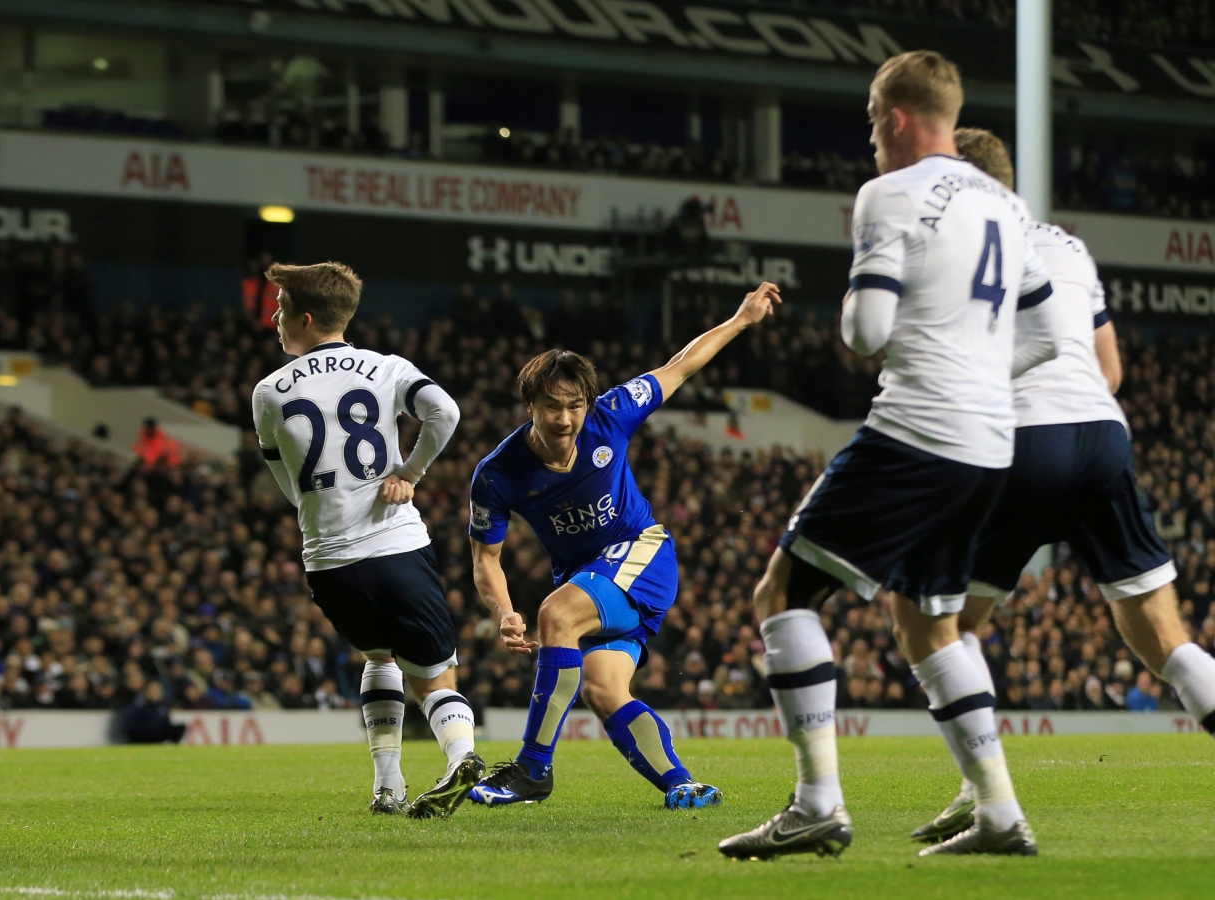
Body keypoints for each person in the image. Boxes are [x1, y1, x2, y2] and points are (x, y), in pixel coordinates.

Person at [718, 51, 1058, 861]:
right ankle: (1000, 813)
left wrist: (868, 310)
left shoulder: (889, 193)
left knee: (783, 594)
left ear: (899, 117)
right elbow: (1046, 335)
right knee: (928, 621)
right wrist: (977, 369)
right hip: (989, 444)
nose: (871, 138)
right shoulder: (1009, 207)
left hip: (916, 429)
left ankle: (816, 805)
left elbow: (865, 332)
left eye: (873, 120)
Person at [907, 128, 1215, 844]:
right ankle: (976, 795)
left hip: (1019, 440)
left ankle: (986, 797)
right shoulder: (1069, 246)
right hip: (1102, 436)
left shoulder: (952, 244)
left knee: (943, 628)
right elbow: (1111, 370)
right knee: (1161, 634)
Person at [466, 281, 781, 810]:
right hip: (590, 578)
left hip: (642, 553)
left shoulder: (612, 414)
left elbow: (680, 366)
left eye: (575, 406)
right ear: (529, 404)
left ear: (588, 404)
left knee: (557, 615)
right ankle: (681, 784)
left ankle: (532, 770)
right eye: (551, 407)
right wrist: (502, 612)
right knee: (603, 689)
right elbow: (485, 559)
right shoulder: (497, 474)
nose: (565, 419)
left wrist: (742, 319)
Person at [251, 261, 480, 819]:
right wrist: (410, 472)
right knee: (435, 676)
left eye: (280, 309)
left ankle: (387, 786)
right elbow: (445, 411)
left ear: (306, 319)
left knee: (378, 655)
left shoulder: (268, 392)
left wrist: (321, 512)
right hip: (395, 544)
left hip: (328, 561)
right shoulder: (386, 367)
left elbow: (286, 482)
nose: (275, 319)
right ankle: (461, 757)